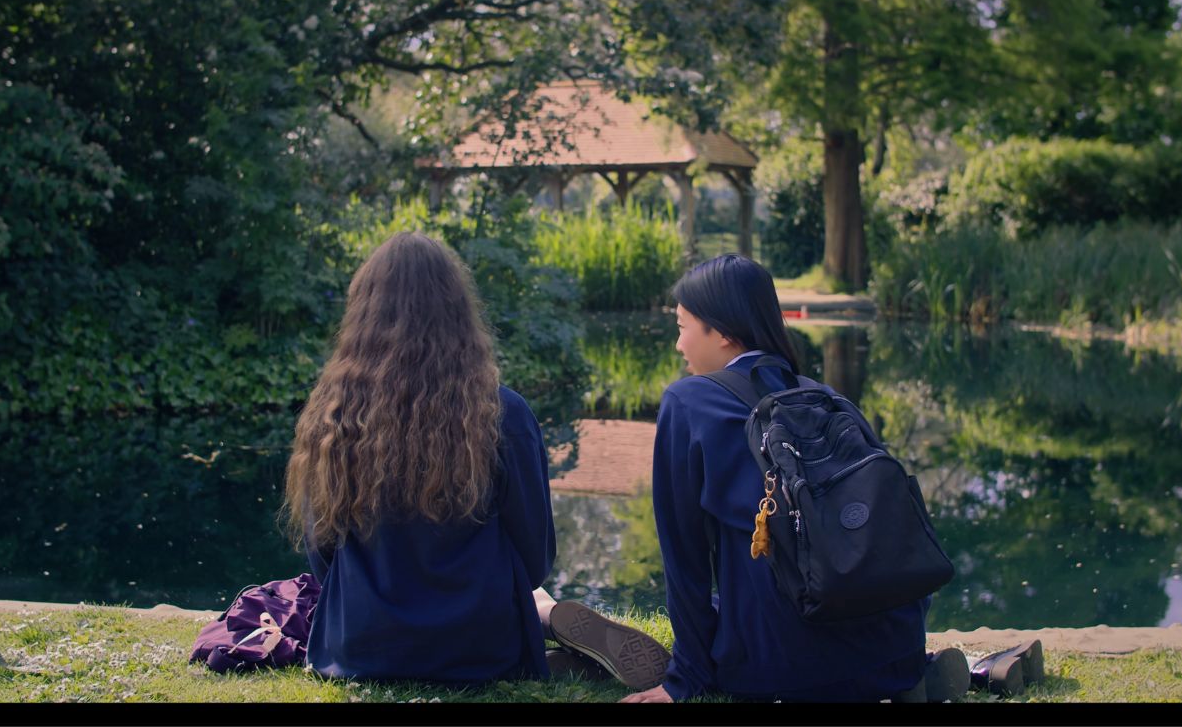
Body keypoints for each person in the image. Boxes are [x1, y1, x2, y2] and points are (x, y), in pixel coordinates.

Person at [281, 231, 668, 689]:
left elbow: (321, 551)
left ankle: (541, 626)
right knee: (530, 592)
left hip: (359, 647)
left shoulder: (332, 415)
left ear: (362, 315)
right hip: (477, 646)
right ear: (457, 312)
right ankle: (541, 625)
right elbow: (533, 554)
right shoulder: (503, 415)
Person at [622, 254, 969, 704]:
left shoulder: (688, 402)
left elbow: (683, 556)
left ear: (723, 332)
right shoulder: (824, 396)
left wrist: (684, 678)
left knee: (724, 604)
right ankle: (907, 673)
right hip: (894, 650)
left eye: (682, 327)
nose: (678, 345)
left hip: (782, 673)